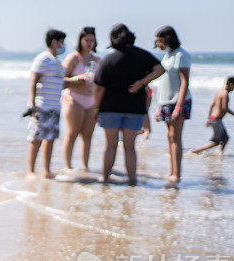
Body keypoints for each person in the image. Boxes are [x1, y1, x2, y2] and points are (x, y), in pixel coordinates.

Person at [93, 23, 164, 185]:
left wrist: (96, 108)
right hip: (134, 108)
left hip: (109, 108)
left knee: (111, 146)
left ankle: (105, 179)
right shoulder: (142, 55)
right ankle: (132, 181)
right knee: (130, 147)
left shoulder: (109, 59)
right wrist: (141, 82)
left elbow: (99, 89)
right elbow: (160, 69)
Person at [26, 29, 85, 179]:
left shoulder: (57, 62)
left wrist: (78, 80)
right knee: (36, 139)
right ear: (54, 42)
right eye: (61, 42)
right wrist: (32, 104)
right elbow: (33, 80)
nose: (63, 45)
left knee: (50, 139)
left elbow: (61, 83)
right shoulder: (43, 58)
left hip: (54, 107)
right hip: (42, 106)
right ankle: (31, 171)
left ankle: (46, 170)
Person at [154, 26, 191, 185]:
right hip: (166, 101)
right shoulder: (168, 55)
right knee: (169, 137)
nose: (158, 44)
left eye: (160, 41)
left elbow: (184, 83)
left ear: (168, 39)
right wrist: (159, 106)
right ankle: (171, 171)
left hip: (178, 101)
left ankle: (177, 174)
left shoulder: (181, 55)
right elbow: (164, 81)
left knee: (176, 137)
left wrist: (178, 107)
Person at [61, 26, 100, 171]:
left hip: (91, 101)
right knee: (72, 134)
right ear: (80, 40)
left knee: (88, 136)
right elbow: (61, 79)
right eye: (86, 40)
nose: (89, 43)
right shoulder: (73, 58)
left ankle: (85, 167)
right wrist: (77, 79)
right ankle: (68, 167)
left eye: (92, 40)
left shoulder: (97, 60)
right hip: (74, 100)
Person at [191, 77, 234, 155]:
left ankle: (219, 153)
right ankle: (195, 151)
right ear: (231, 85)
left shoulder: (219, 92)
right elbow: (225, 108)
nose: (233, 89)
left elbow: (212, 106)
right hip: (217, 120)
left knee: (225, 138)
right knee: (216, 142)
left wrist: (209, 119)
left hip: (214, 119)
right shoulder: (225, 94)